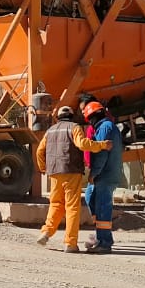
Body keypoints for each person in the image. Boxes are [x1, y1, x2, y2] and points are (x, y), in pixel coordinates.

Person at [34, 105, 109, 252]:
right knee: (72, 207)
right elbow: (82, 144)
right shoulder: (75, 127)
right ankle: (70, 243)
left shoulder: (50, 131)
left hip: (54, 172)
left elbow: (39, 151)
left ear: (58, 117)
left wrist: (43, 167)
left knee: (56, 204)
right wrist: (102, 145)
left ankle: (46, 231)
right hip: (71, 171)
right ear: (72, 116)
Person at [80, 97, 124, 253]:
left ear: (93, 117)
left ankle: (104, 242)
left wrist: (93, 173)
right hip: (106, 173)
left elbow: (101, 155)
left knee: (103, 207)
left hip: (105, 174)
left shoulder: (105, 128)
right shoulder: (106, 126)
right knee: (90, 197)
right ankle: (101, 234)